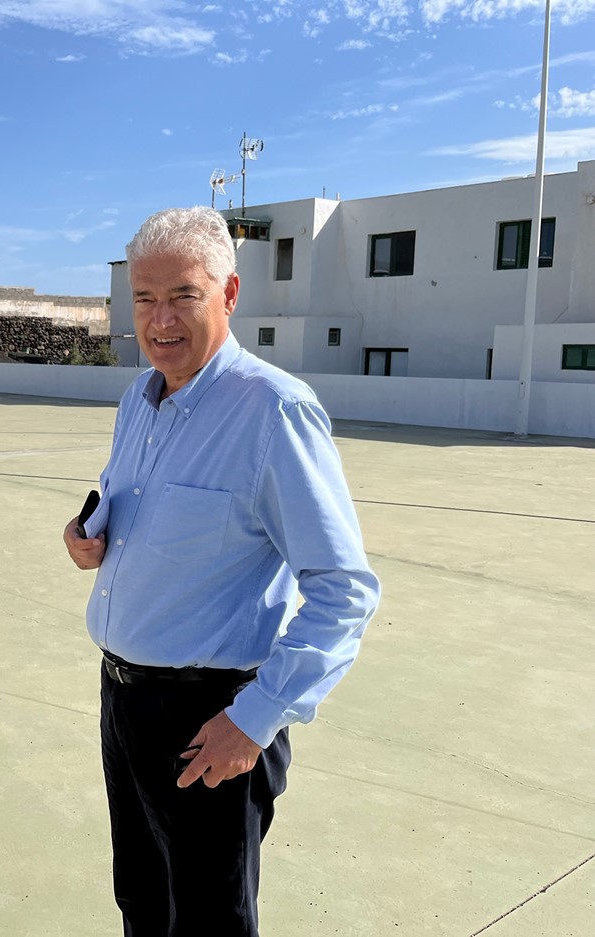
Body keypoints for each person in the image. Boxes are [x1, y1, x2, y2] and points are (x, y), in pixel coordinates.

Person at [63, 206, 380, 937]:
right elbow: (123, 503)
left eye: (183, 295)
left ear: (230, 294)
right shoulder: (139, 400)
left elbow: (345, 590)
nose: (159, 319)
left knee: (208, 924)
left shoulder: (273, 411)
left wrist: (256, 718)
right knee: (142, 903)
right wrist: (90, 537)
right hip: (124, 704)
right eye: (144, 298)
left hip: (210, 717)